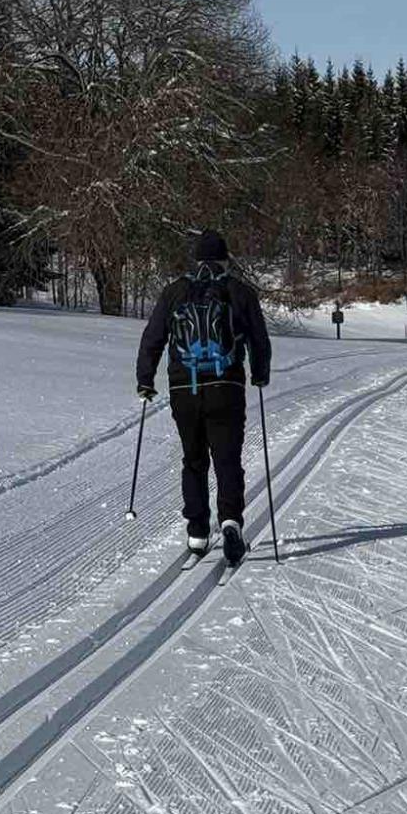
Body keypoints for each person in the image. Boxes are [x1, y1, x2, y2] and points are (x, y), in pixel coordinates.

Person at [137, 230, 271, 565]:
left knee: (193, 460)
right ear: (225, 258)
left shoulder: (174, 292)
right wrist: (259, 373)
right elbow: (259, 339)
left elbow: (152, 337)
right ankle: (230, 522)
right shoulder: (239, 292)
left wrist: (145, 379)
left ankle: (197, 531)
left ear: (197, 259)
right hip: (227, 387)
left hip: (184, 390)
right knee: (227, 459)